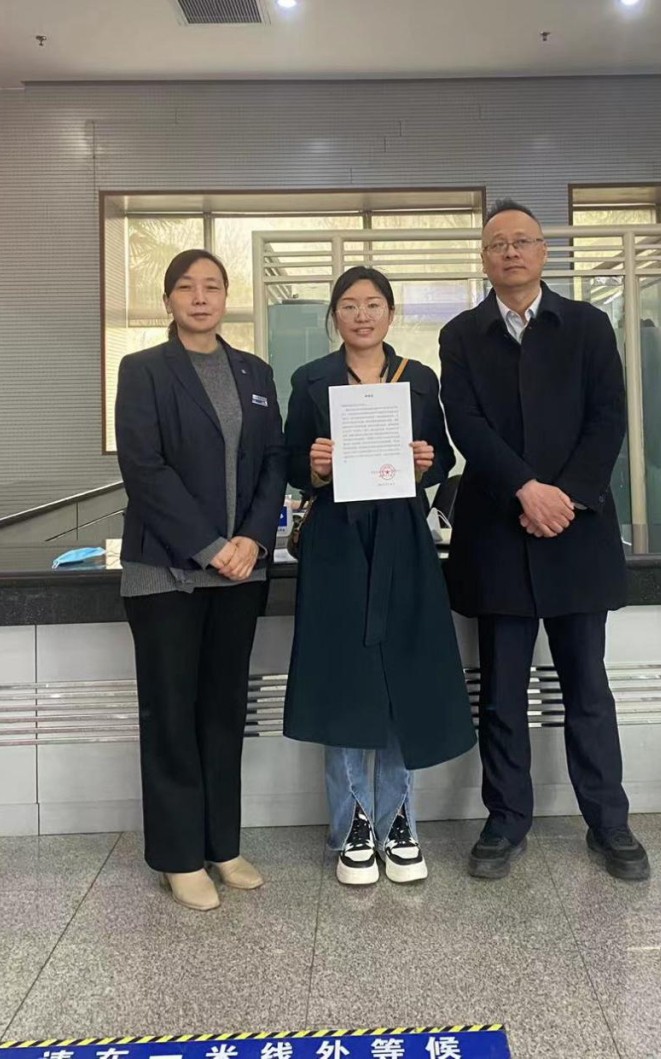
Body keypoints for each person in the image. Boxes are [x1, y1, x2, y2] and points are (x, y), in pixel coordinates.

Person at [439, 199, 649, 883]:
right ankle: (505, 821)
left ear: (543, 252)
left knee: (587, 688)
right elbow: (467, 425)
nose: (511, 252)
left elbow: (608, 417)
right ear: (483, 258)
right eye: (497, 243)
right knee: (502, 693)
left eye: (522, 241)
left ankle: (609, 822)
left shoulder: (587, 325)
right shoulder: (461, 334)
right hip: (499, 535)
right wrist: (526, 489)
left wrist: (565, 496)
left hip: (576, 533)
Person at [283, 266, 476, 886]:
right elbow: (289, 463)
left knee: (402, 680)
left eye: (372, 304)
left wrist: (425, 462)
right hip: (337, 542)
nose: (361, 315)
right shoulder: (310, 379)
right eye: (349, 305)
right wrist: (314, 466)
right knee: (344, 681)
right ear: (334, 315)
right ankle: (353, 824)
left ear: (390, 313)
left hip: (401, 536)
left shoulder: (417, 379)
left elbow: (442, 456)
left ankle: (399, 821)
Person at [115, 248, 286, 912]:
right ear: (168, 300)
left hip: (240, 572)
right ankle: (179, 856)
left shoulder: (255, 372)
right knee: (171, 714)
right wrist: (211, 546)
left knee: (222, 712)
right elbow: (145, 468)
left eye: (212, 286)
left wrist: (253, 539)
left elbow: (273, 462)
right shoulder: (143, 370)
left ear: (225, 298)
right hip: (165, 573)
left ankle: (223, 845)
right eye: (186, 286)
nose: (200, 296)